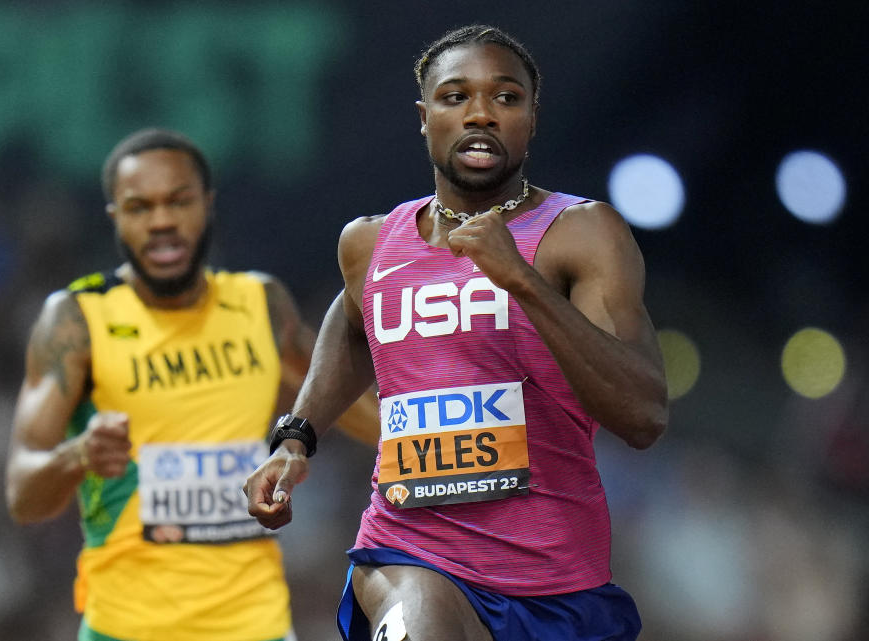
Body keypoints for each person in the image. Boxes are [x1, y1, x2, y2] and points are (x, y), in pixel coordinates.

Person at [245, 25, 668, 641]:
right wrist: (296, 437)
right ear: (424, 117)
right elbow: (357, 323)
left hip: (557, 586)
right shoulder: (371, 242)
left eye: (505, 98)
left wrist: (521, 281)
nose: (481, 114)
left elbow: (643, 416)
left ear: (530, 117)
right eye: (455, 96)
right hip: (409, 553)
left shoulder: (582, 234)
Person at [5, 128, 378, 641]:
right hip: (126, 629)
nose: (161, 222)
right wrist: (78, 455)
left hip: (257, 626)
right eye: (140, 207)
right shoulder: (76, 321)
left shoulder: (259, 305)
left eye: (178, 201)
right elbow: (22, 496)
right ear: (115, 216)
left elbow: (363, 413)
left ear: (207, 204)